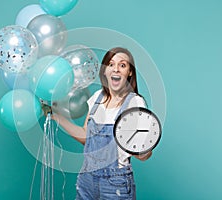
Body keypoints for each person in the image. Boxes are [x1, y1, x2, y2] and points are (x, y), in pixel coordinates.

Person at [52, 47, 152, 199]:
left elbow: (144, 155)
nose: (116, 69)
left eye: (122, 65)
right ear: (105, 71)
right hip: (86, 178)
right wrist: (57, 117)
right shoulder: (96, 98)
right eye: (111, 64)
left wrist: (137, 148)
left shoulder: (135, 103)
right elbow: (86, 136)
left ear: (130, 72)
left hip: (115, 182)